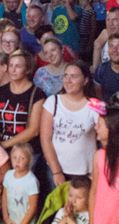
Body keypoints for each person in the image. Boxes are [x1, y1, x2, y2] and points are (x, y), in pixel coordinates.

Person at [40, 61, 101, 192]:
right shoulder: (53, 102)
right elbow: (45, 138)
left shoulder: (93, 105)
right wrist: (56, 171)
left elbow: (104, 138)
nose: (68, 80)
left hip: (86, 171)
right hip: (57, 169)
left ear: (85, 80)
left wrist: (96, 170)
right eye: (66, 76)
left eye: (74, 76)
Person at [0, 50, 44, 152]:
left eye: (18, 66)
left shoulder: (37, 95)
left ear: (27, 70)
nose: (13, 70)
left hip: (25, 151)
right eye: (11, 66)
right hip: (0, 149)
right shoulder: (0, 91)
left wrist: (4, 145)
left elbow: (34, 130)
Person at [2, 142, 39, 224]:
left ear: (30, 160)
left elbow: (33, 207)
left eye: (22, 158)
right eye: (14, 157)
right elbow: (5, 197)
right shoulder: (8, 175)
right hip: (13, 223)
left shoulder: (31, 181)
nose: (17, 161)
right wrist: (6, 218)